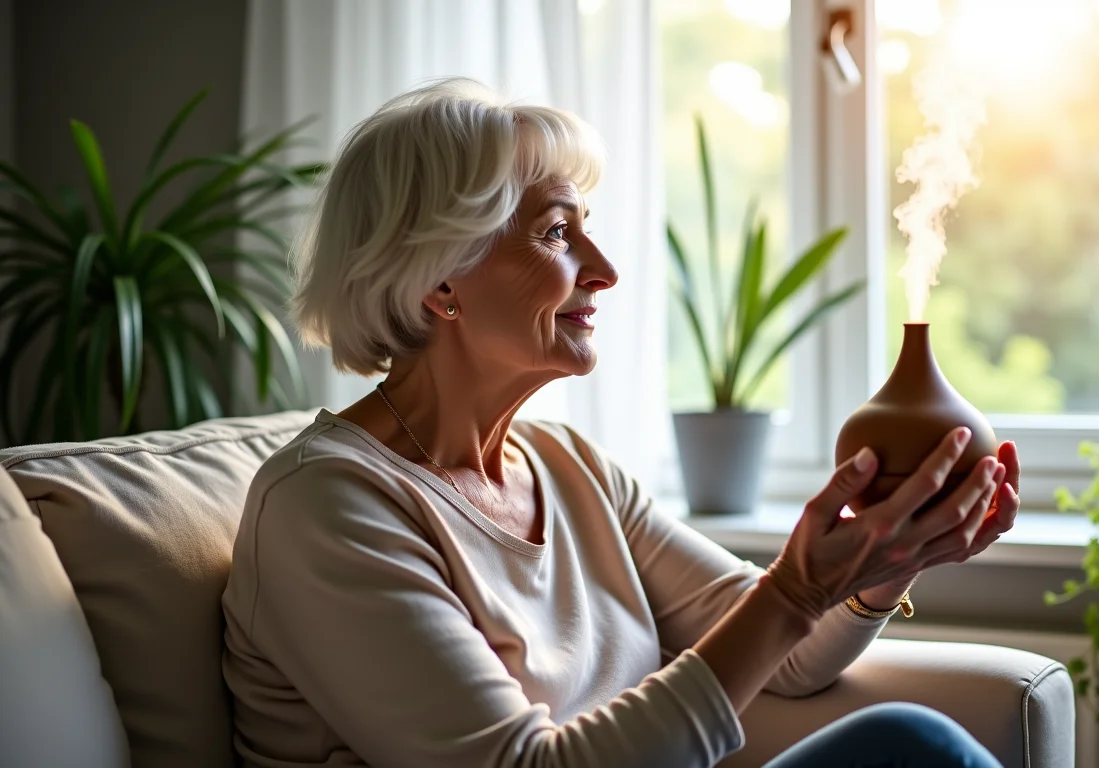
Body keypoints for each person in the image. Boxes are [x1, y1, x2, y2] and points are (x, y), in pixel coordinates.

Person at [221, 78, 1022, 768]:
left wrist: (891, 557)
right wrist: (795, 589)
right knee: (910, 747)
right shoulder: (328, 507)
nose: (603, 271)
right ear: (441, 283)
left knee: (905, 741)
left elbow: (793, 661)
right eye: (558, 233)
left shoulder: (567, 467)